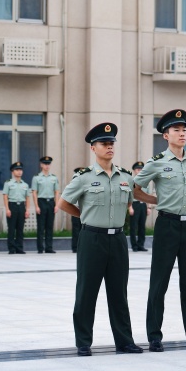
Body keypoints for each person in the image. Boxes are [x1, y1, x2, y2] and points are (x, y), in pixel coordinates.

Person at [57, 122, 143, 356]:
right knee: (87, 291)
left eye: (111, 143)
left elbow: (128, 202)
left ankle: (124, 341)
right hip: (92, 238)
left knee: (119, 292)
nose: (109, 147)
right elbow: (63, 203)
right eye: (104, 143)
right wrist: (84, 216)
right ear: (93, 148)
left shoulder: (125, 176)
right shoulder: (83, 177)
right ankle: (83, 342)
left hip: (117, 240)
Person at [134, 109, 186, 353]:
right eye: (176, 130)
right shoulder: (157, 163)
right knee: (159, 282)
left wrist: (184, 200)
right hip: (167, 225)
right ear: (165, 135)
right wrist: (159, 201)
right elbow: (136, 189)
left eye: (184, 129)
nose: (182, 133)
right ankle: (155, 336)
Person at [31, 156, 60, 254]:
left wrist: (56, 205)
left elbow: (56, 192)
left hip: (51, 202)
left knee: (49, 226)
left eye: (48, 164)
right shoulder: (36, 178)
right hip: (41, 201)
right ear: (41, 165)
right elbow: (34, 192)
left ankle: (49, 247)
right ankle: (40, 248)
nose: (47, 166)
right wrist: (36, 206)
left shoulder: (54, 177)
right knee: (41, 226)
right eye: (45, 164)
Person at [3, 162, 31, 254]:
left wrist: (27, 210)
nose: (19, 172)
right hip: (12, 206)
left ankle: (19, 248)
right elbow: (5, 196)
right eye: (17, 170)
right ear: (12, 171)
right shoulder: (8, 183)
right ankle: (11, 248)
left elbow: (27, 198)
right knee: (11, 228)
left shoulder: (25, 185)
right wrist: (7, 209)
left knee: (20, 228)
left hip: (21, 207)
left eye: (20, 170)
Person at [129, 161, 150, 252]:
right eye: (138, 169)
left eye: (141, 169)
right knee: (134, 226)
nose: (140, 171)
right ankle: (134, 246)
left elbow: (147, 195)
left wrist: (148, 207)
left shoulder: (145, 181)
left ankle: (141, 244)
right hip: (135, 205)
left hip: (143, 205)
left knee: (142, 226)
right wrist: (130, 207)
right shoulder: (131, 181)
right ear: (134, 171)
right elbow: (128, 195)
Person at [70, 168, 86, 253]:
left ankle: (82, 246)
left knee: (84, 230)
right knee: (76, 230)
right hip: (76, 209)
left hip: (85, 211)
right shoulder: (74, 184)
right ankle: (75, 247)